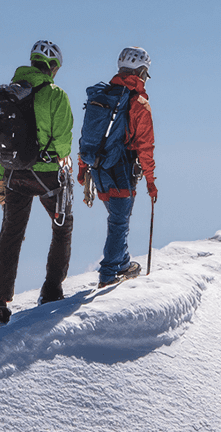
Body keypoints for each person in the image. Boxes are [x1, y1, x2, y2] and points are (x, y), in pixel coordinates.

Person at [0, 41, 74, 325]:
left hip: (14, 174)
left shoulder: (10, 94)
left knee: (11, 233)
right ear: (53, 66)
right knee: (62, 227)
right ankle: (51, 290)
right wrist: (60, 160)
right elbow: (63, 142)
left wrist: (1, 176)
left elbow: (1, 142)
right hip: (48, 174)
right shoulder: (55, 95)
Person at [78, 46, 156, 288]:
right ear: (142, 72)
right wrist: (151, 182)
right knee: (119, 222)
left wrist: (82, 168)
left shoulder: (102, 97)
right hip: (121, 168)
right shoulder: (138, 103)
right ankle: (110, 272)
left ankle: (122, 262)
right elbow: (145, 147)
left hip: (98, 168)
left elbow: (87, 136)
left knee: (117, 217)